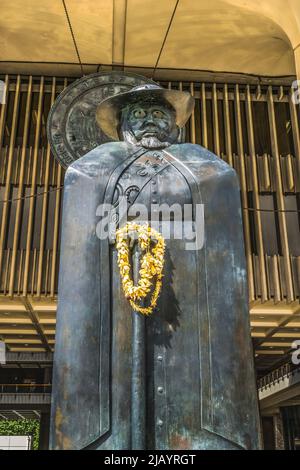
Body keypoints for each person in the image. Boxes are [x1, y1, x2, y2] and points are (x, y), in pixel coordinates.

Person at [50, 83, 260, 450]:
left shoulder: (206, 166)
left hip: (189, 304)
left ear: (175, 124)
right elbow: (82, 239)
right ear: (122, 124)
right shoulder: (91, 169)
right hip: (114, 305)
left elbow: (220, 230)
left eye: (159, 114)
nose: (150, 121)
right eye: (140, 114)